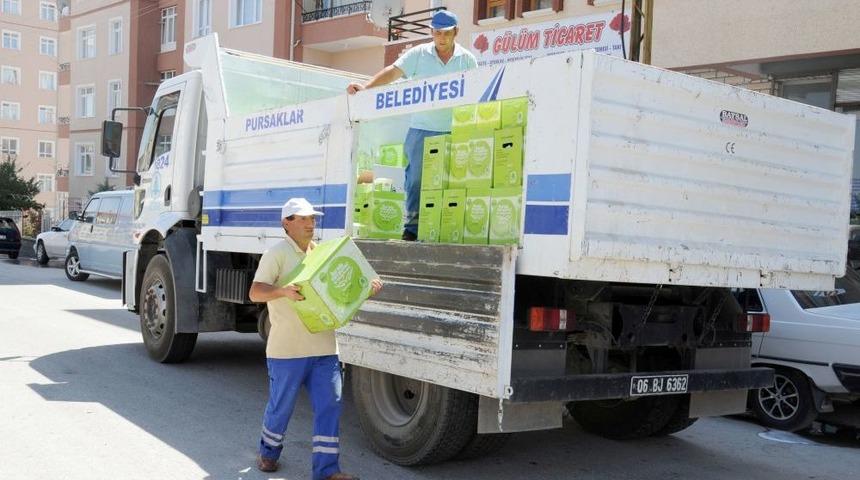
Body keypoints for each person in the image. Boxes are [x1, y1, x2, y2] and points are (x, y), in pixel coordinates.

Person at [249, 197, 383, 478]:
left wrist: (364, 291)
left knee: (330, 406)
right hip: (287, 351)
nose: (311, 223)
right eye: (303, 218)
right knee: (281, 408)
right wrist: (283, 291)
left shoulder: (322, 254)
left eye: (313, 218)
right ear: (286, 223)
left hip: (325, 348)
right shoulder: (276, 254)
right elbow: (255, 292)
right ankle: (268, 453)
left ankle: (326, 471)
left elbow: (339, 297)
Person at [346, 10, 477, 241]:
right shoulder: (419, 54)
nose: (441, 38)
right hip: (422, 128)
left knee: (454, 181)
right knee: (415, 178)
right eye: (437, 32)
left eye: (446, 33)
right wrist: (367, 88)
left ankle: (449, 228)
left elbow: (477, 90)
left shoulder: (467, 59)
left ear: (456, 32)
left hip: (455, 129)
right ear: (432, 32)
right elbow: (393, 72)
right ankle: (412, 228)